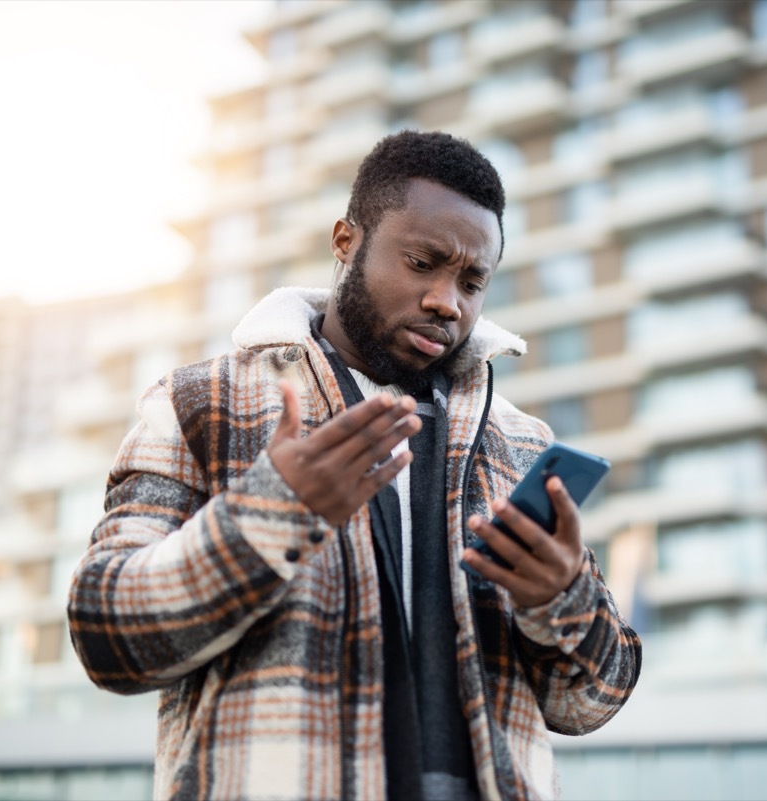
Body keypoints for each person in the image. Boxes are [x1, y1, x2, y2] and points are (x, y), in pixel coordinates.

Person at [67, 130, 641, 801]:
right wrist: (267, 517)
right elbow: (105, 634)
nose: (447, 301)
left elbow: (591, 701)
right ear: (346, 241)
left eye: (472, 280)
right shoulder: (202, 403)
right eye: (423, 262)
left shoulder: (518, 443)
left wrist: (559, 596)